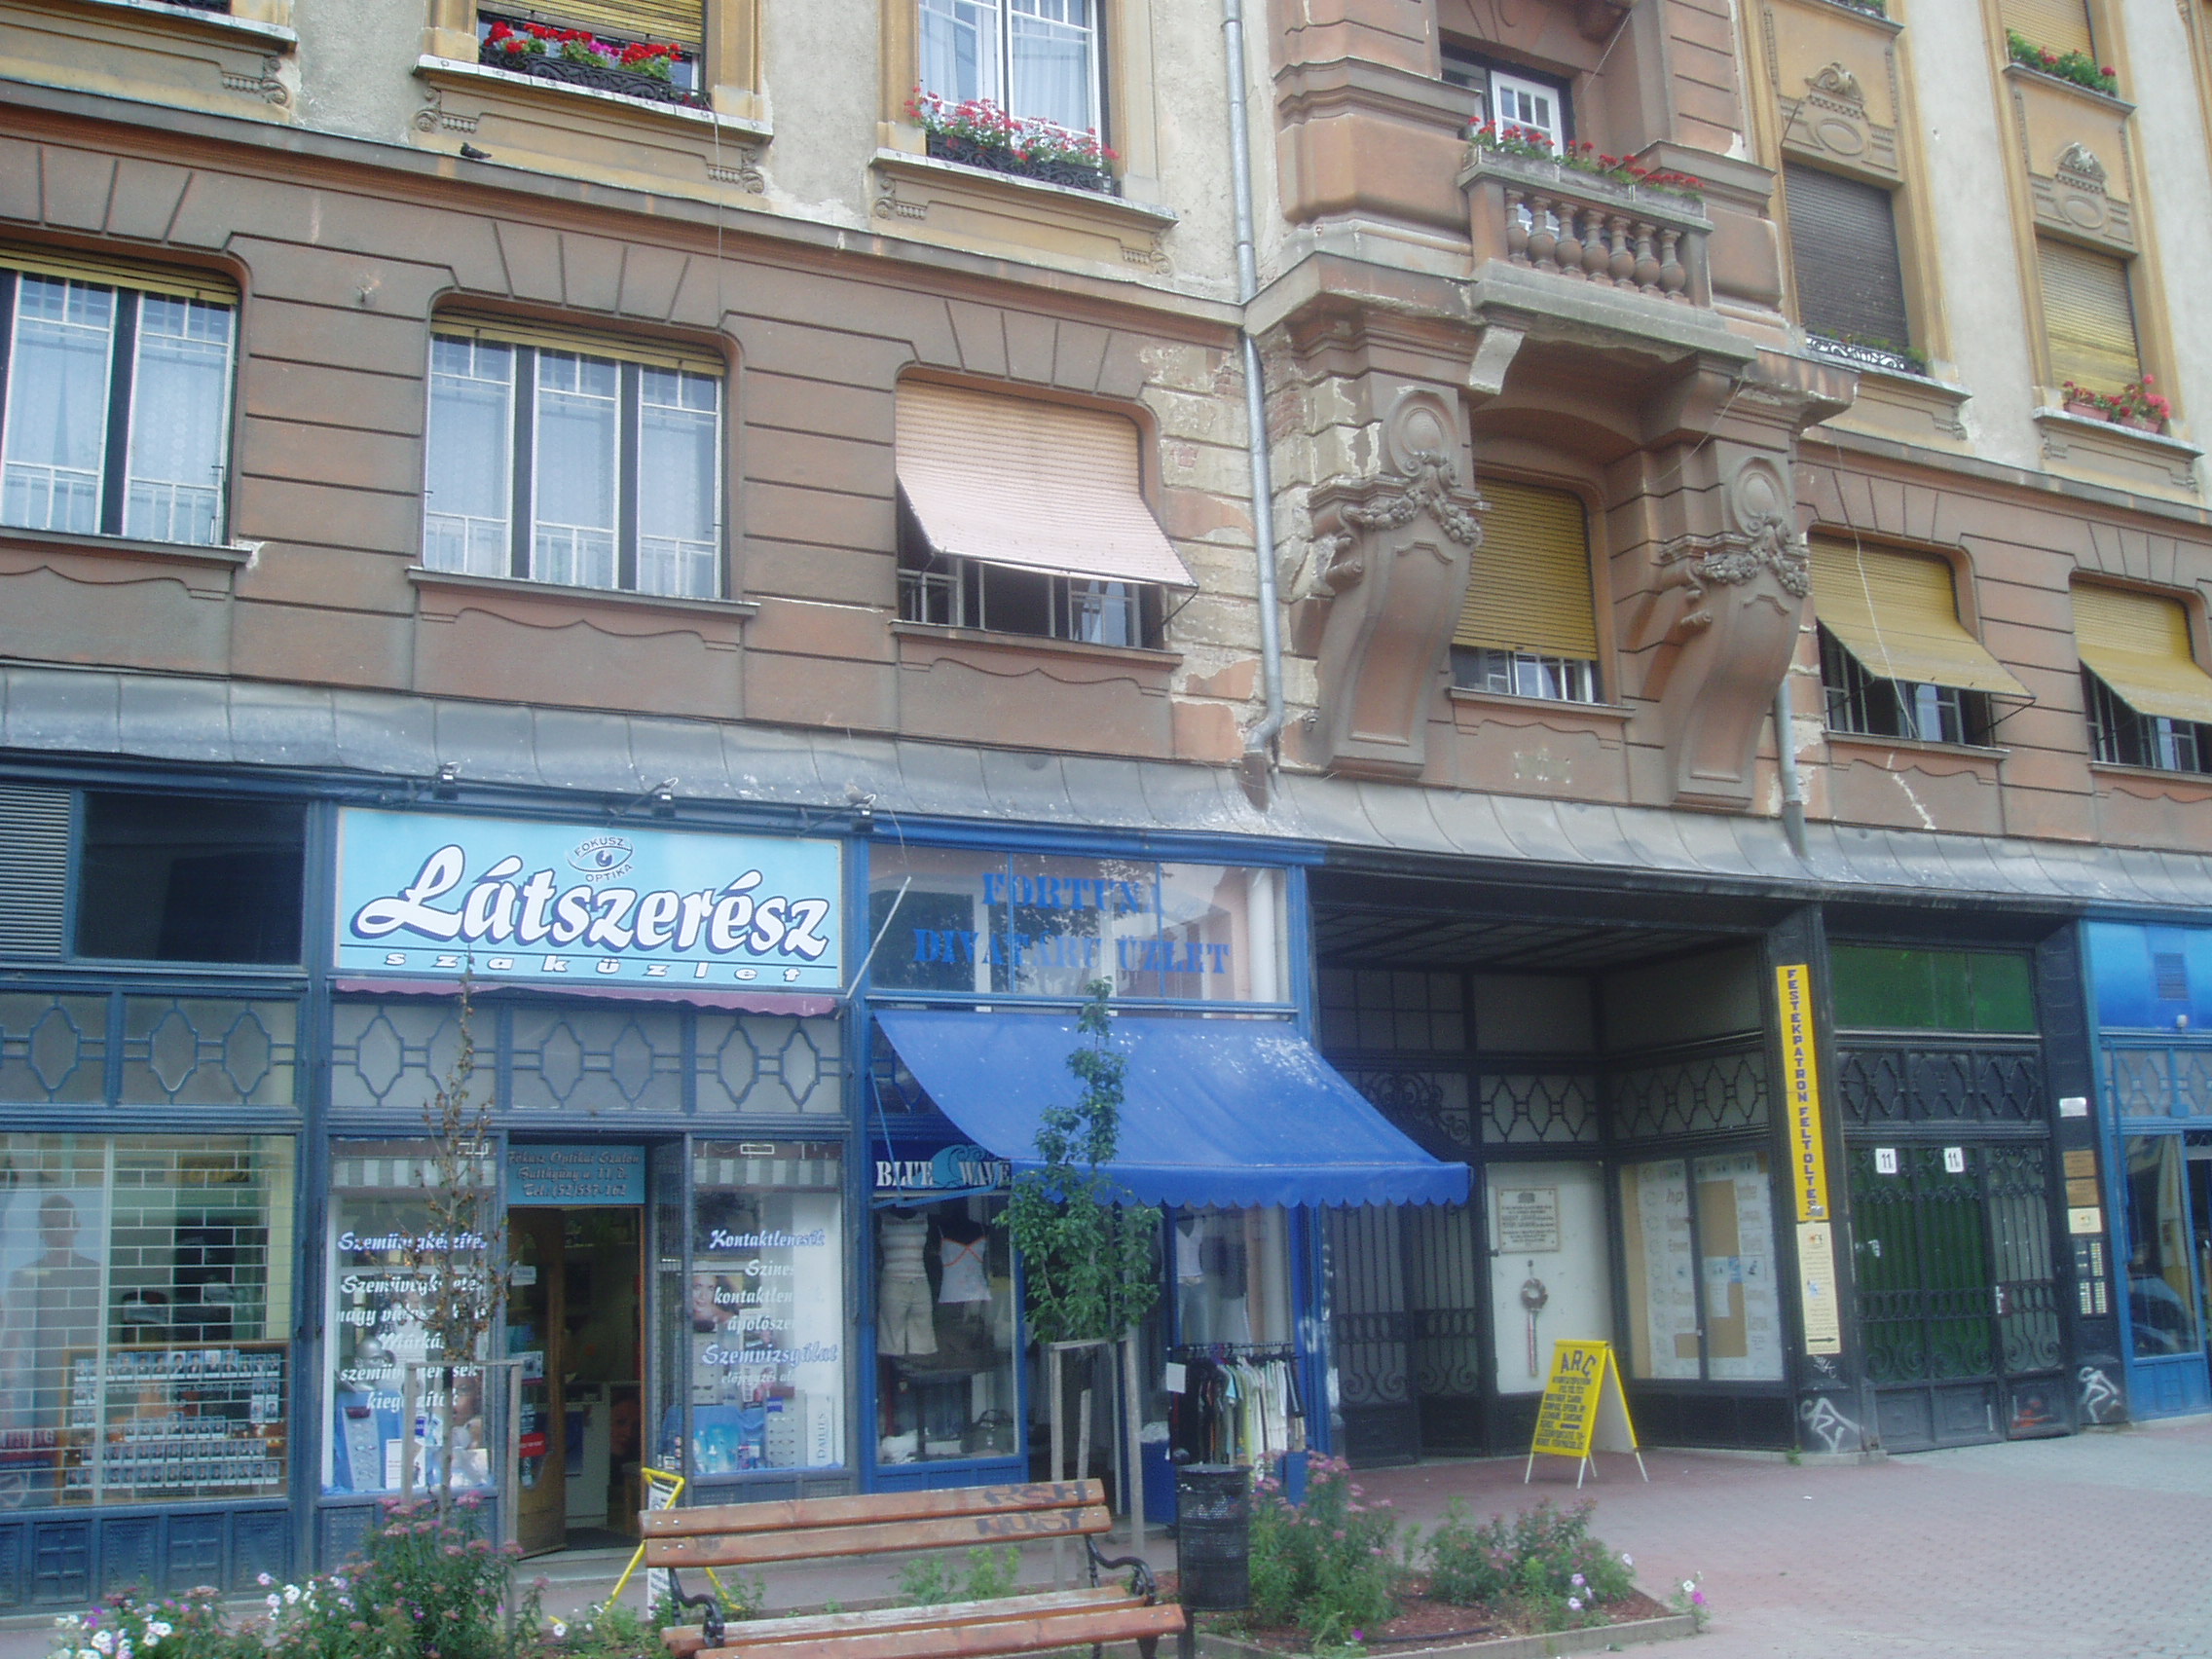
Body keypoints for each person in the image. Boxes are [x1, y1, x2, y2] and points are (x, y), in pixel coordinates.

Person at [1, 1194, 104, 1493]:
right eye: (51, 1226)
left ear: (76, 1227)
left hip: (81, 1383)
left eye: (64, 1224)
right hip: (36, 1384)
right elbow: (12, 1333)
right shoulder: (23, 1277)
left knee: (77, 1458)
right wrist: (6, 1384)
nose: (58, 1232)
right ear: (41, 1231)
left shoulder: (94, 1274)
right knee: (38, 1461)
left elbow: (101, 1332)